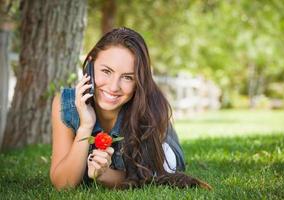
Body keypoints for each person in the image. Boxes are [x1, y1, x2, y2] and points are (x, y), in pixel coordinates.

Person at [50, 27, 211, 190]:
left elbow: (145, 177)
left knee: (167, 167)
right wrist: (85, 127)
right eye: (106, 71)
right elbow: (63, 184)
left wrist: (103, 174)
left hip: (161, 144)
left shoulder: (148, 111)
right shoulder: (66, 104)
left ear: (138, 81)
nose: (113, 87)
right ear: (90, 65)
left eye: (127, 77)